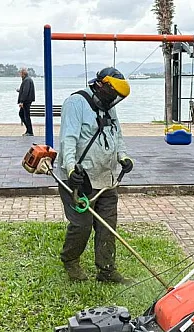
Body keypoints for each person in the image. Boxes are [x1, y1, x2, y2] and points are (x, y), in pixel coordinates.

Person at [55, 66, 133, 283]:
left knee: (108, 225)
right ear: (101, 85)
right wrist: (71, 169)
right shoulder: (75, 103)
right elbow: (67, 139)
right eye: (113, 95)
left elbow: (116, 135)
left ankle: (107, 270)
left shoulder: (109, 107)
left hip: (106, 178)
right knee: (82, 225)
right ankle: (70, 260)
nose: (115, 100)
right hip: (80, 179)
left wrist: (123, 157)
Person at [17, 68, 36, 136]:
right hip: (27, 100)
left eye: (20, 73)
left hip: (26, 101)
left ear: (23, 74)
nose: (20, 75)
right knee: (22, 114)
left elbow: (26, 91)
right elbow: (25, 90)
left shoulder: (27, 80)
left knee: (26, 116)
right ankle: (28, 130)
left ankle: (30, 131)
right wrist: (20, 90)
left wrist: (22, 101)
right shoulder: (27, 80)